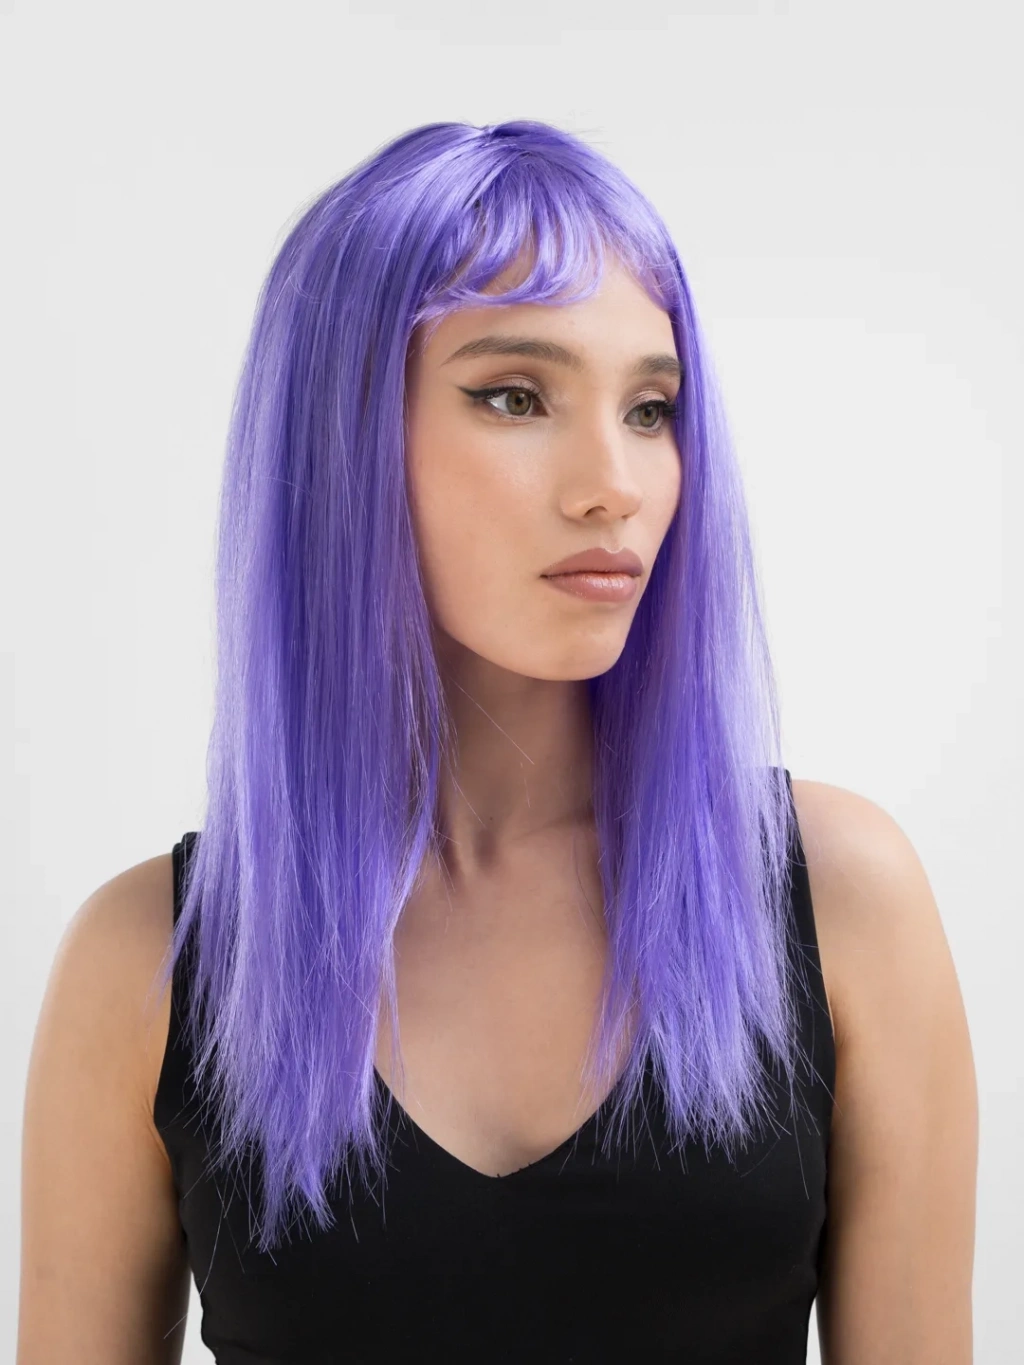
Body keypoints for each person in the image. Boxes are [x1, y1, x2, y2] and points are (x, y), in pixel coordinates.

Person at [18, 120, 977, 1364]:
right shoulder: (152, 965)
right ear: (341, 438)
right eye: (515, 396)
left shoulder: (835, 898)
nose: (613, 482)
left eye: (652, 408)